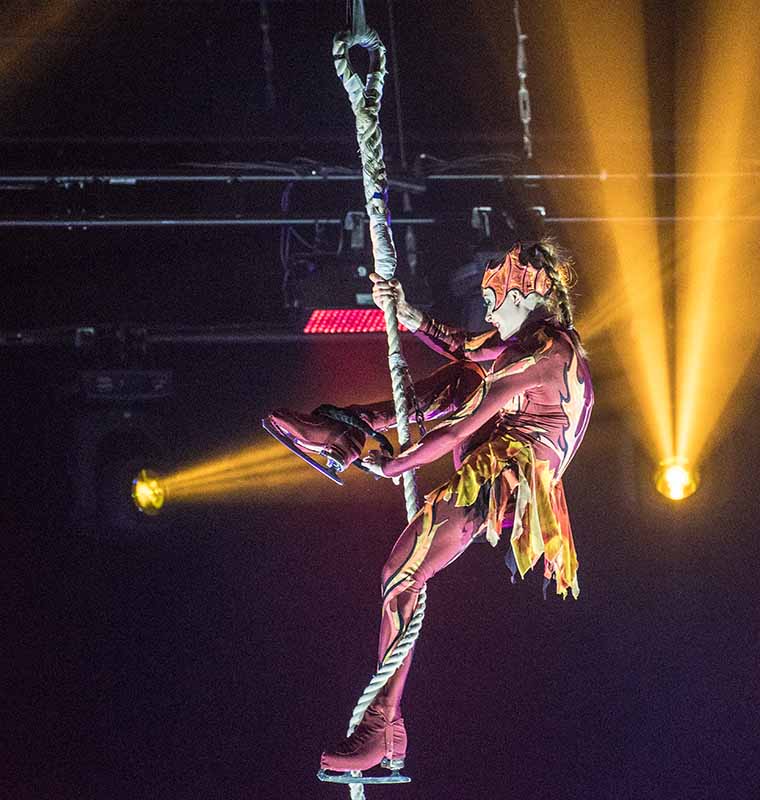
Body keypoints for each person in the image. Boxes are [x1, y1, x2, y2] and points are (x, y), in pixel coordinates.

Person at [267, 240, 594, 777]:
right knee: (464, 375)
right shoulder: (538, 340)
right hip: (500, 464)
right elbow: (468, 349)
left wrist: (389, 466)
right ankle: (347, 427)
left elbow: (461, 425)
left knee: (400, 576)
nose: (489, 310)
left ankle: (382, 727)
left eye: (496, 299)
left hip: (501, 483)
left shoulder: (543, 355)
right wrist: (409, 315)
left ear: (527, 293)